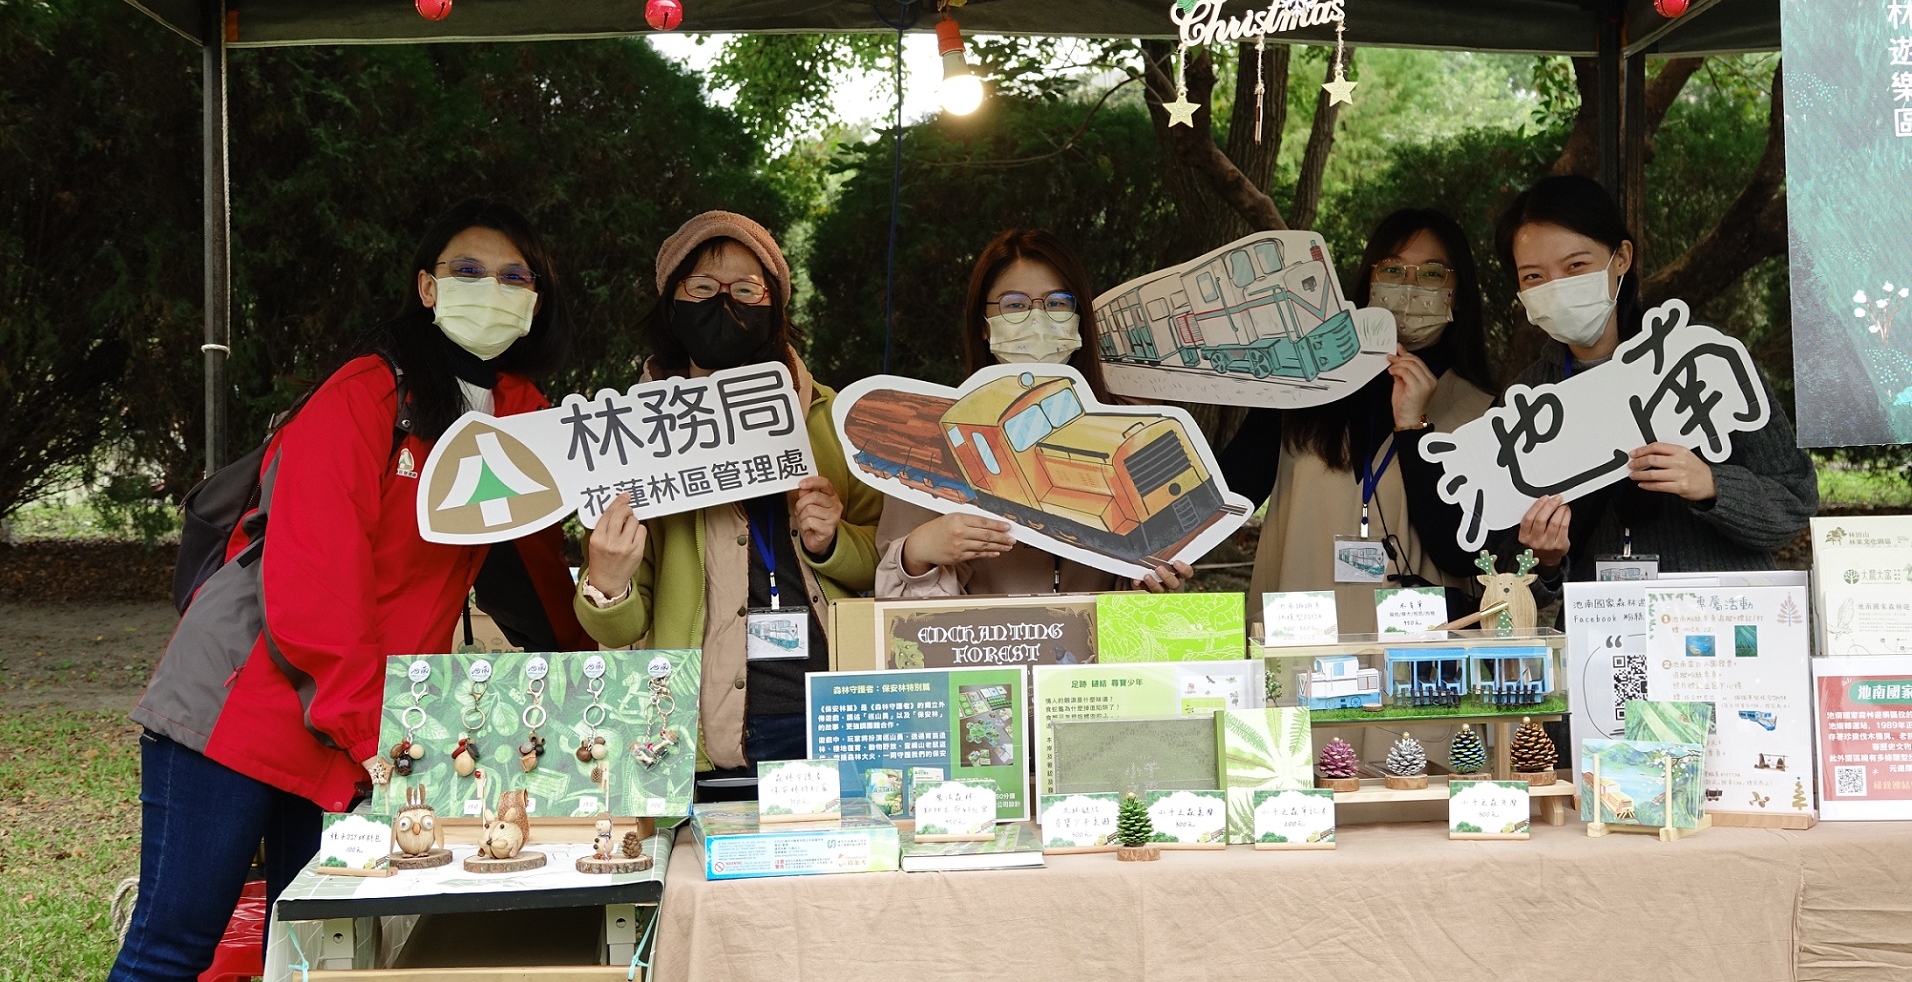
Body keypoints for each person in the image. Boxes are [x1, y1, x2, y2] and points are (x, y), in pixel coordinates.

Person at [113, 200, 576, 982]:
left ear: (536, 300)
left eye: (513, 276)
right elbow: (314, 583)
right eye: (468, 269)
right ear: (426, 287)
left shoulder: (520, 417)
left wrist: (604, 667)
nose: (490, 288)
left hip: (358, 726)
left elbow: (538, 572)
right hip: (244, 704)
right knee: (173, 949)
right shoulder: (367, 391)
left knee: (311, 955)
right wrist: (375, 731)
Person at [577, 211, 879, 793]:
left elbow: (888, 565)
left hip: (838, 717)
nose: (724, 302)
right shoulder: (632, 437)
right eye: (702, 288)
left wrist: (833, 543)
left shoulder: (832, 419)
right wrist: (606, 583)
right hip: (701, 735)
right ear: (671, 304)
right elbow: (620, 629)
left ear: (774, 306)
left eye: (746, 289)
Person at [1495, 174, 1818, 584]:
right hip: (1605, 619)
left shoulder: (1701, 358)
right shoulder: (1527, 399)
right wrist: (1545, 561)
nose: (1557, 289)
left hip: (1724, 613)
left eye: (1576, 266)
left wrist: (1712, 484)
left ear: (1621, 258)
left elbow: (1795, 502)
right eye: (1534, 277)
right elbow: (1503, 565)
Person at [873, 229, 1189, 596]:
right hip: (987, 632)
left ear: (1079, 318)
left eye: (1057, 302)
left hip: (1105, 632)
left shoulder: (1129, 423)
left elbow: (1147, 582)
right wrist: (918, 551)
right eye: (1014, 304)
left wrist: (1153, 586)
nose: (1037, 319)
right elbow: (897, 602)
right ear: (983, 325)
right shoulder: (929, 441)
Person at [1221, 209, 1497, 617]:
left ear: (1459, 292)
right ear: (1369, 281)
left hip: (1415, 647)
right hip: (1302, 637)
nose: (1408, 286)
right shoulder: (1305, 388)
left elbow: (1466, 556)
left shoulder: (1483, 412)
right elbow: (1226, 496)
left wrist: (1413, 430)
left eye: (1431, 273)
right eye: (1392, 270)